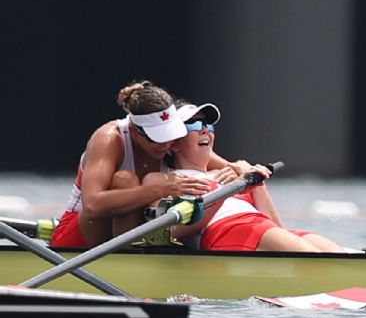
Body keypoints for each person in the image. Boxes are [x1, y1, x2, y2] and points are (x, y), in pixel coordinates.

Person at [146, 102, 346, 252]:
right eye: (193, 124)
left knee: (335, 253)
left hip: (260, 227)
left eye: (208, 124)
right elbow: (169, 233)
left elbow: (275, 225)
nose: (205, 129)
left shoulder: (232, 172)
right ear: (174, 144)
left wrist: (257, 182)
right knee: (318, 259)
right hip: (225, 231)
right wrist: (226, 191)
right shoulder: (165, 179)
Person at [50, 80, 226, 249]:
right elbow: (93, 205)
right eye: (156, 138)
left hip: (131, 237)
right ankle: (131, 260)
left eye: (170, 135)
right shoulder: (109, 139)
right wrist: (161, 190)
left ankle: (139, 257)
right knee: (124, 180)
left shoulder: (173, 141)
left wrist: (245, 168)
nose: (166, 145)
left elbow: (228, 167)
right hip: (78, 237)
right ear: (134, 131)